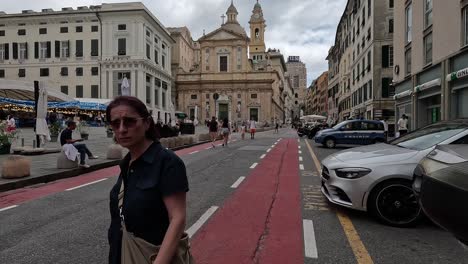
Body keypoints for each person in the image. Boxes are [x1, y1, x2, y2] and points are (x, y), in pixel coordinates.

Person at [107, 96, 188, 264]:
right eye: (115, 123)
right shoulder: (127, 163)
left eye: (129, 121)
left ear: (147, 123)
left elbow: (177, 218)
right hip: (122, 254)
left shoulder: (167, 162)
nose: (122, 129)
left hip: (151, 256)